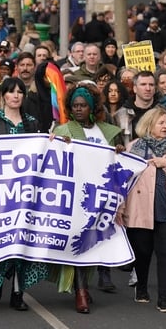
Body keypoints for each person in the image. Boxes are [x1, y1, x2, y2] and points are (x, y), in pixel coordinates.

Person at [0, 77, 46, 311]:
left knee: (21, 242)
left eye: (20, 92)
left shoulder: (32, 122)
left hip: (25, 192)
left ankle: (18, 292)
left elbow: (43, 151)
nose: (16, 95)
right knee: (1, 240)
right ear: (4, 95)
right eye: (11, 91)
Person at [52, 83, 121, 313]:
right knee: (79, 243)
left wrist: (118, 152)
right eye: (75, 106)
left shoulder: (106, 131)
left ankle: (82, 286)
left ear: (91, 107)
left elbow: (115, 163)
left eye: (83, 105)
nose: (78, 109)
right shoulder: (64, 131)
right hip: (75, 199)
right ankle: (80, 293)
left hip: (101, 198)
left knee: (93, 244)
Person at [119, 106, 166, 313]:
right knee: (142, 252)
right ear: (149, 125)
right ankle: (141, 287)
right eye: (161, 123)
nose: (165, 126)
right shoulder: (134, 147)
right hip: (140, 210)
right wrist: (121, 208)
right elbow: (123, 180)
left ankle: (163, 298)